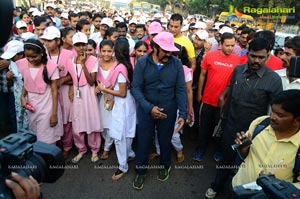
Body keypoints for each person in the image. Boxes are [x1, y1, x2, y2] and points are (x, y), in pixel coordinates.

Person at [205, 37, 283, 199]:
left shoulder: (274, 80)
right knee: (225, 161)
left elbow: (274, 112)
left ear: (268, 56)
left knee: (245, 167)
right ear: (247, 54)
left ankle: (235, 193)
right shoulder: (238, 70)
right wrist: (223, 119)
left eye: (261, 57)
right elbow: (231, 97)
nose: (256, 60)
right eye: (253, 56)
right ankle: (216, 186)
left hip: (254, 134)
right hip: (231, 127)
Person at [131, 32, 187, 190]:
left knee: (165, 141)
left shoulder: (176, 64)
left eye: (171, 51)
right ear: (154, 47)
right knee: (143, 142)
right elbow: (135, 88)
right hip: (146, 110)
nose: (169, 54)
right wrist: (149, 108)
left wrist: (183, 114)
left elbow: (181, 89)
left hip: (168, 111)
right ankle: (140, 171)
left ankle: (165, 165)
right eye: (165, 51)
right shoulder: (142, 63)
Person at [232, 89, 300, 189]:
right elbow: (245, 155)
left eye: (280, 115)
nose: (272, 117)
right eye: (272, 111)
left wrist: (275, 187)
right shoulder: (260, 123)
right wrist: (243, 148)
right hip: (239, 187)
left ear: (297, 120)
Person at [96, 38, 136, 180]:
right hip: (127, 103)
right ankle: (130, 154)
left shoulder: (120, 68)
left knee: (119, 136)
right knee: (127, 132)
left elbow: (122, 92)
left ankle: (123, 166)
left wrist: (103, 89)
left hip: (122, 103)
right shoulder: (126, 64)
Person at [17, 39, 63, 144]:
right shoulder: (23, 64)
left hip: (47, 105)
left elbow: (55, 92)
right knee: (35, 134)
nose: (31, 59)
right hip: (32, 105)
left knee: (47, 138)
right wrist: (22, 97)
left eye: (34, 56)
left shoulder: (50, 67)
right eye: (27, 56)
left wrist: (54, 114)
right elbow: (26, 83)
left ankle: (49, 159)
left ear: (41, 53)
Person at [66, 32, 101, 164]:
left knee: (91, 121)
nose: (81, 48)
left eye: (83, 44)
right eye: (78, 45)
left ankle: (94, 149)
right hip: (77, 94)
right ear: (74, 46)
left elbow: (92, 81)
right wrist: (71, 88)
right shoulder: (70, 61)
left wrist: (83, 64)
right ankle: (81, 149)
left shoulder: (93, 60)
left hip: (89, 93)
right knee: (77, 121)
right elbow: (73, 78)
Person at [41, 26, 74, 158]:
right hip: (48, 93)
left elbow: (75, 75)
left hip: (64, 91)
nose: (47, 43)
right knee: (51, 117)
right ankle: (55, 144)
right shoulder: (42, 54)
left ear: (58, 41)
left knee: (66, 120)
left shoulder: (69, 54)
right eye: (45, 41)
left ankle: (67, 146)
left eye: (50, 41)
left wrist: (62, 81)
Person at [4, 40, 29, 132]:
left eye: (12, 56)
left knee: (29, 119)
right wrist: (9, 78)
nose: (11, 59)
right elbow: (11, 83)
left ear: (21, 54)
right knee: (19, 118)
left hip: (28, 97)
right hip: (17, 97)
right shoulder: (12, 63)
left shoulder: (29, 63)